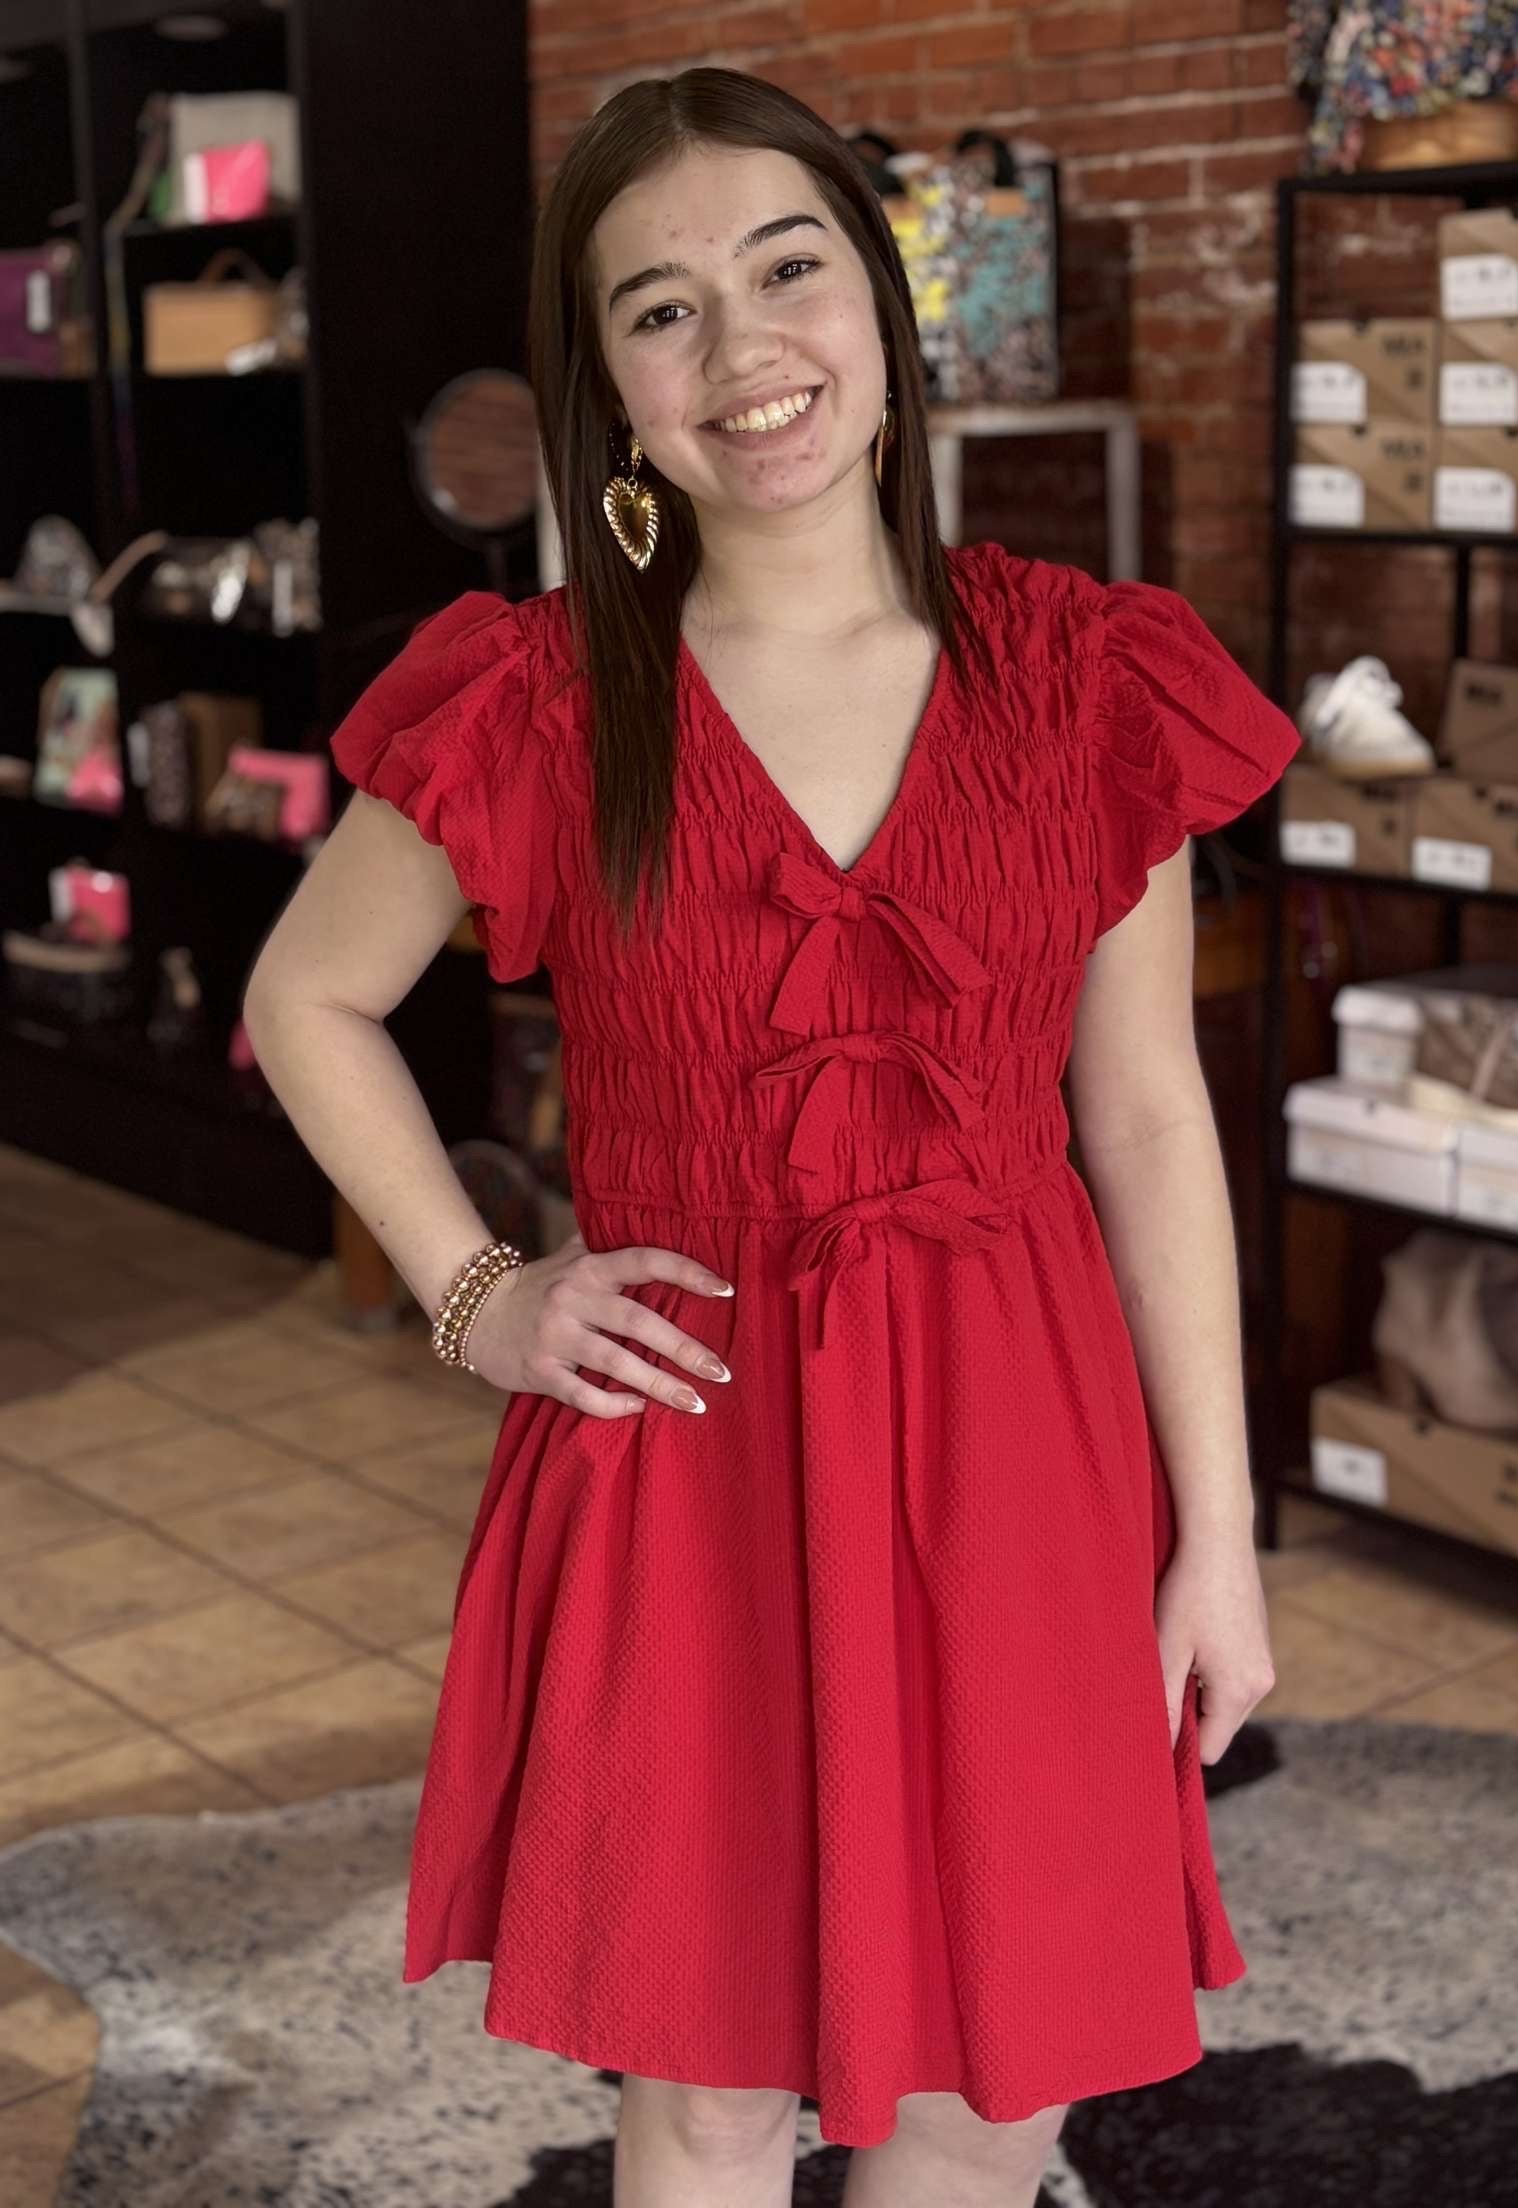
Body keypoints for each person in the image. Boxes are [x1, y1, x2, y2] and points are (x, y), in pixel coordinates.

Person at [243, 64, 1300, 2208]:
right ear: (612, 397)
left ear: (883, 309)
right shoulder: (545, 695)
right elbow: (304, 998)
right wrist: (478, 1293)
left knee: (993, 2082)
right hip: (688, 1454)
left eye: (786, 268)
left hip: (1024, 1447)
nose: (742, 348)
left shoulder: (1088, 679)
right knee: (711, 2082)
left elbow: (1144, 1116)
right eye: (661, 309)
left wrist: (1221, 1530)